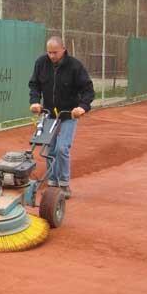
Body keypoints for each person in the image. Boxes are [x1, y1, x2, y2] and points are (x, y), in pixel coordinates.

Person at [29, 36, 95, 199]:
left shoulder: (74, 66)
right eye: (49, 52)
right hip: (49, 114)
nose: (51, 56)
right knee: (50, 149)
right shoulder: (41, 63)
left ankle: (64, 184)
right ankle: (52, 183)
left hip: (68, 115)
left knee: (62, 148)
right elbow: (34, 84)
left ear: (63, 49)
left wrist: (82, 107)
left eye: (55, 52)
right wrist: (35, 102)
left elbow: (88, 90)